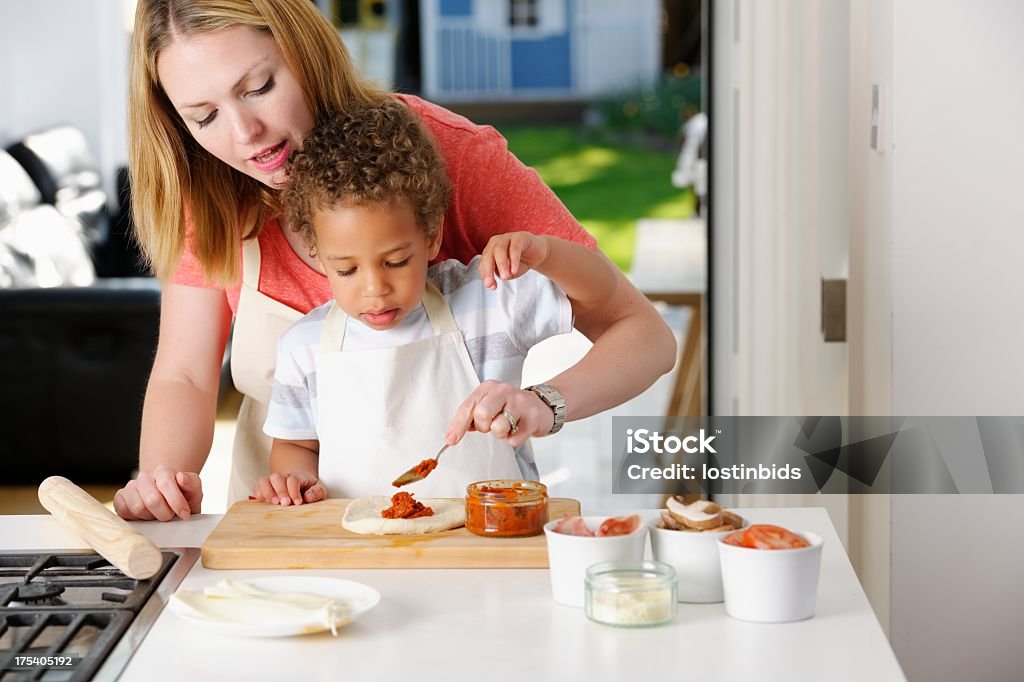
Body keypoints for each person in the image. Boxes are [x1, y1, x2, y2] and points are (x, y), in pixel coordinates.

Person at [113, 0, 676, 521]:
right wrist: (163, 480)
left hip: (461, 526)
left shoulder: (445, 156)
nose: (244, 134)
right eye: (204, 117)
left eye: (258, 87)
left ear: (305, 52)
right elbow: (184, 374)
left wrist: (545, 403)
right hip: (293, 522)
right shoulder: (212, 194)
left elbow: (639, 332)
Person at [252, 101, 662, 504]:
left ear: (432, 235)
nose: (375, 288)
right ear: (318, 254)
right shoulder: (303, 347)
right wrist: (294, 479)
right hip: (360, 554)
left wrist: (547, 254)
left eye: (396, 261)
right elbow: (296, 446)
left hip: (496, 545)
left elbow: (602, 293)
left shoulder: (486, 302)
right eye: (346, 270)